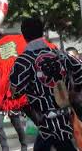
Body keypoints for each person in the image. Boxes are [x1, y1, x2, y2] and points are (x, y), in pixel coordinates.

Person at [9, 17, 82, 151]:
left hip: (44, 115)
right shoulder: (60, 54)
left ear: (23, 35)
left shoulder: (23, 61)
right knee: (62, 144)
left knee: (57, 144)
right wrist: (74, 89)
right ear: (42, 32)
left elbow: (15, 89)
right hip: (63, 111)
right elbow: (79, 69)